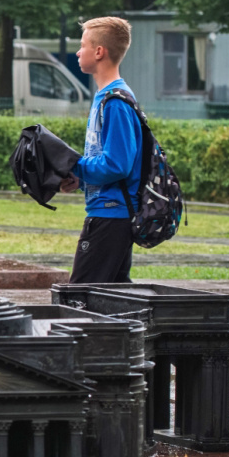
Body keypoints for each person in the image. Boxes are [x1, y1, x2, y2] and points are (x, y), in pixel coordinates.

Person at [60, 16, 141, 283]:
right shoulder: (105, 97)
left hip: (111, 215)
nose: (77, 51)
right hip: (109, 212)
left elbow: (118, 165)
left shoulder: (115, 102)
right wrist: (81, 179)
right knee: (113, 300)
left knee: (78, 297)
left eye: (82, 45)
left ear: (99, 52)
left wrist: (71, 163)